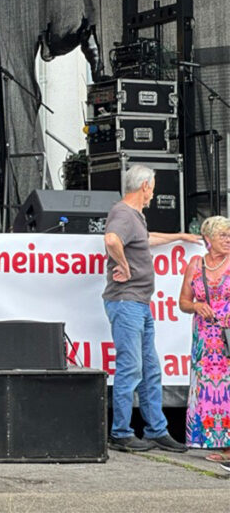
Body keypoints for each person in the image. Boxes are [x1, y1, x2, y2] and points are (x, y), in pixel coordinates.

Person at [103, 164, 201, 452]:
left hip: (138, 303)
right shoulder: (123, 213)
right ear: (145, 186)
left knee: (150, 369)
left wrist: (179, 236)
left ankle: (156, 429)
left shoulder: (134, 216)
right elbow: (111, 239)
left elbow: (145, 240)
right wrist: (123, 265)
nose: (153, 195)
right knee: (131, 367)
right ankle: (121, 432)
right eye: (153, 189)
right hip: (126, 301)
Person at [178, 215, 230, 461]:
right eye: (223, 235)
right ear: (208, 239)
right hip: (204, 339)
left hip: (227, 336)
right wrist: (196, 306)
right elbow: (183, 302)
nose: (228, 240)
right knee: (208, 390)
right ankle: (217, 442)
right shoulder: (196, 264)